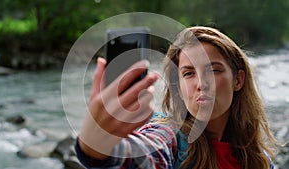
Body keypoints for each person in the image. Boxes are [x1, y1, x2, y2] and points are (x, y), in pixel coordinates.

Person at [75, 26, 277, 169]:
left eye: (213, 70)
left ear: (238, 80)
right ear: (178, 87)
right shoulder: (171, 140)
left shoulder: (260, 160)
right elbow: (144, 154)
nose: (201, 84)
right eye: (188, 73)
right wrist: (96, 146)